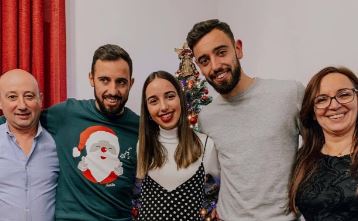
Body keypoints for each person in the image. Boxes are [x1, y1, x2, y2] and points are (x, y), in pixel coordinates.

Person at [186, 19, 305, 221]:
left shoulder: (288, 94)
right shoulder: (207, 117)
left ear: (238, 49)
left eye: (221, 52)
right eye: (204, 60)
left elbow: (319, 148)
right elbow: (216, 172)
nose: (215, 66)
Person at [40, 44, 139, 220]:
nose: (113, 91)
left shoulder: (140, 128)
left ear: (131, 83)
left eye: (121, 82)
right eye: (104, 80)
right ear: (91, 79)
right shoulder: (66, 114)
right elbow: (18, 121)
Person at [136, 70, 219, 221]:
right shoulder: (142, 146)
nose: (163, 107)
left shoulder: (206, 145)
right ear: (147, 109)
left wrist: (214, 207)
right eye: (153, 101)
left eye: (170, 96)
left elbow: (221, 193)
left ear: (180, 98)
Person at [288, 66, 358, 220]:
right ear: (312, 112)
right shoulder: (303, 159)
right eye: (322, 99)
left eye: (344, 94)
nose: (334, 105)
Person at [0, 69, 59, 221]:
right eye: (12, 97)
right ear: (0, 102)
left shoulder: (58, 143)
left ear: (40, 100)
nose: (22, 105)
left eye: (29, 96)